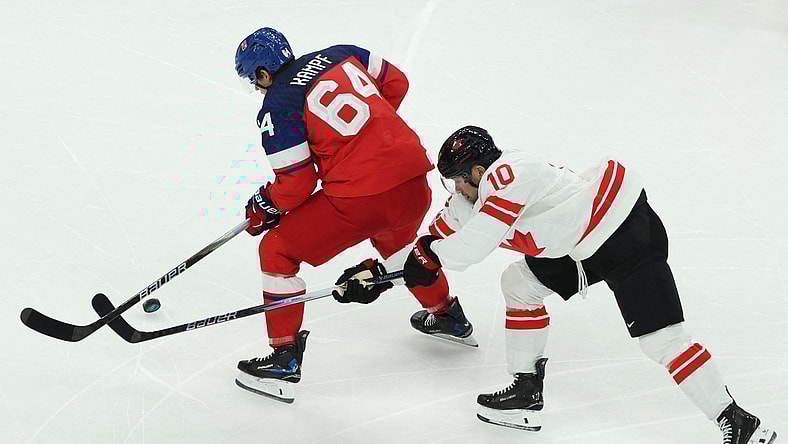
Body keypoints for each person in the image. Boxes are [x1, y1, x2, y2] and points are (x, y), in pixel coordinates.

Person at [341, 126, 777, 443]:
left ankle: (739, 422)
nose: (453, 189)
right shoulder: (470, 196)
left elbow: (471, 247)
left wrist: (431, 258)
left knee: (663, 341)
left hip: (623, 233)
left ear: (477, 170)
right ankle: (526, 392)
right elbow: (431, 241)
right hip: (580, 246)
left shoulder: (510, 172)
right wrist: (377, 274)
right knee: (519, 283)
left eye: (456, 179)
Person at [231, 28, 476, 403]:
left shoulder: (278, 105)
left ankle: (283, 360)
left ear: (264, 73)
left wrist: (267, 203)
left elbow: (297, 184)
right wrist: (371, 137)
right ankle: (447, 315)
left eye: (255, 80)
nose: (257, 87)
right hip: (414, 181)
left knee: (276, 250)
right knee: (400, 251)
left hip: (361, 199)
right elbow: (397, 82)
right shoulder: (341, 52)